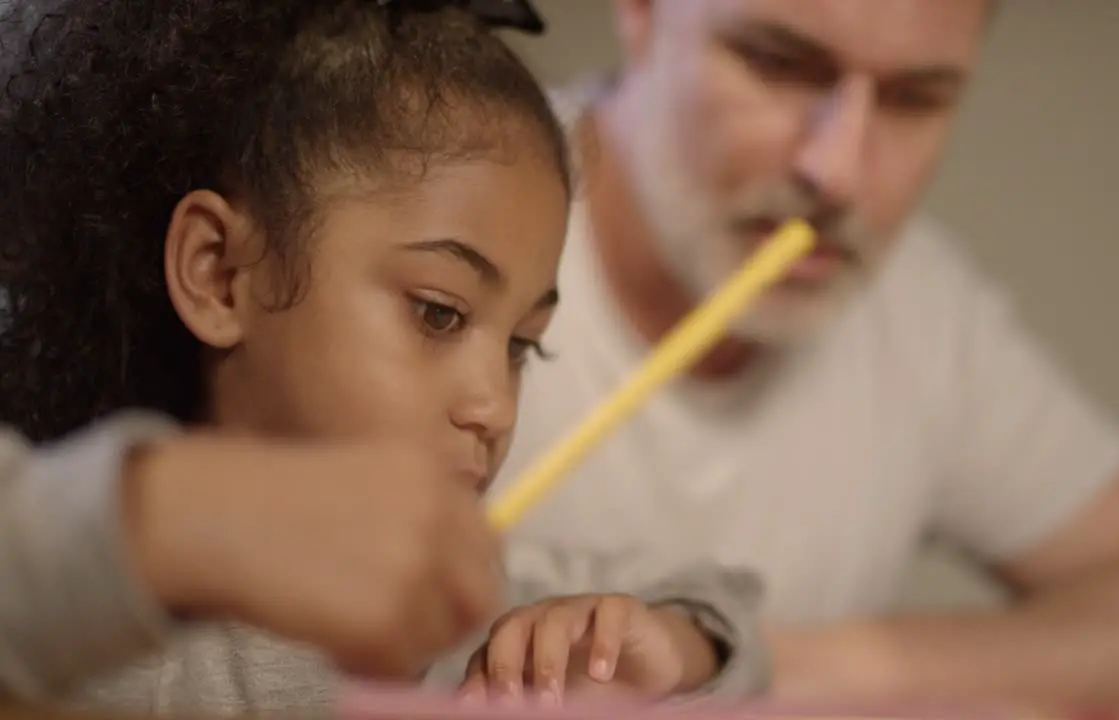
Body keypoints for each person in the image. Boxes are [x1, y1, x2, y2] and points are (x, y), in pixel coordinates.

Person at [489, 0, 1119, 711]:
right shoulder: (434, 211)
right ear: (641, 12)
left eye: (915, 98)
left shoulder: (916, 312)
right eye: (776, 63)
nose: (836, 174)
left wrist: (759, 665)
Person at [0, 0, 769, 713]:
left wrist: (665, 644)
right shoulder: (98, 647)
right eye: (438, 314)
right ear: (221, 275)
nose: (495, 407)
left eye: (522, 346)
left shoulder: (473, 597)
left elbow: (725, 613)